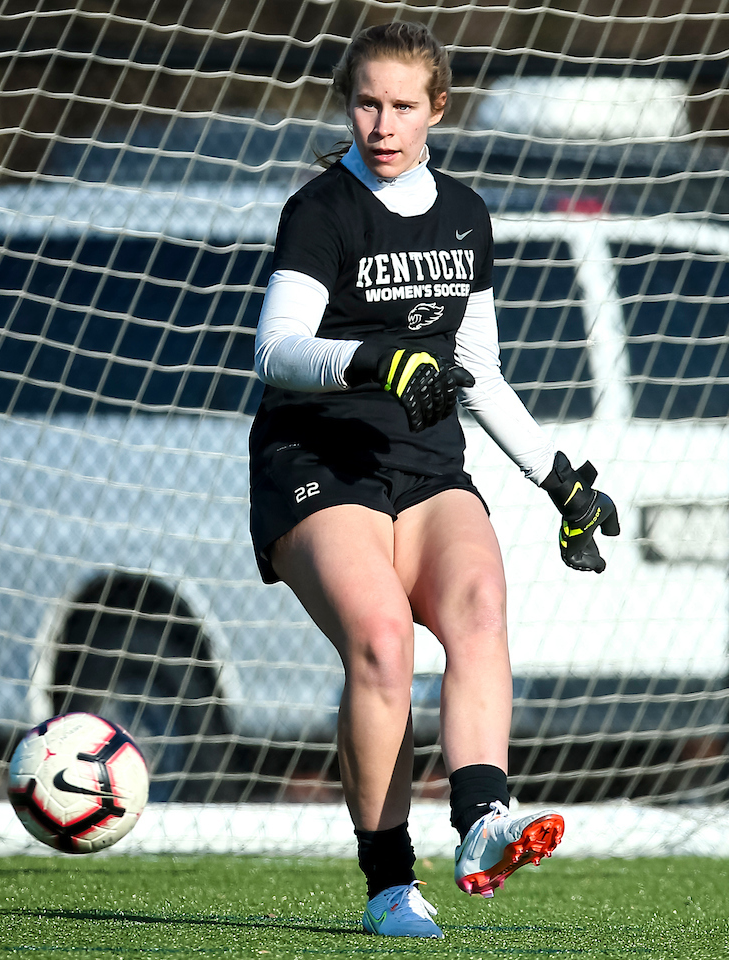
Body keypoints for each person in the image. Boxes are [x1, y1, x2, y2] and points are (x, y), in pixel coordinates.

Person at [249, 21, 620, 939]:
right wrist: (377, 361)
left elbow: (476, 370)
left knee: (480, 607)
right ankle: (387, 886)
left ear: (437, 109)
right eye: (367, 101)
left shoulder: (465, 214)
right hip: (317, 460)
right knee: (380, 644)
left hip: (421, 462)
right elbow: (278, 349)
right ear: (348, 104)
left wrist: (556, 479)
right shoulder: (321, 210)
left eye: (403, 105)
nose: (382, 121)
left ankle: (482, 820)